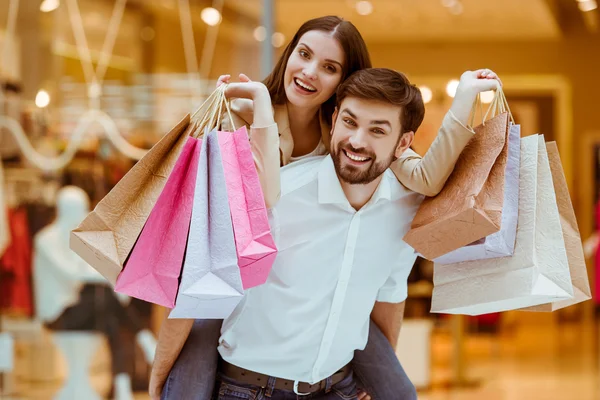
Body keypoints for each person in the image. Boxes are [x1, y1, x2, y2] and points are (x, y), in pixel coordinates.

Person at [150, 15, 501, 400]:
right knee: (190, 370)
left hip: (329, 364)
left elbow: (425, 180)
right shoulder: (244, 121)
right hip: (236, 301)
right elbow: (259, 202)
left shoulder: (366, 150)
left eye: (330, 67)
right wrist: (261, 108)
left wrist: (465, 101)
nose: (310, 72)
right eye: (304, 54)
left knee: (399, 391)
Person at [195, 67, 420, 399]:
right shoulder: (278, 196)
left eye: (377, 130)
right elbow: (207, 285)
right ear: (332, 122)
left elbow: (389, 293)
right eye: (350, 122)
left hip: (339, 387)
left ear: (403, 143)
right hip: (251, 389)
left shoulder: (406, 208)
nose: (357, 140)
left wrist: (377, 381)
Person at [33, 186, 157, 400]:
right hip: (56, 313)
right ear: (63, 209)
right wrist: (114, 285)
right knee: (102, 297)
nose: (81, 216)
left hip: (78, 308)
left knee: (109, 317)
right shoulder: (46, 240)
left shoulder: (76, 237)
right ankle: (141, 342)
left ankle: (122, 383)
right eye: (76, 210)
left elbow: (93, 267)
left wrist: (110, 280)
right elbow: (72, 273)